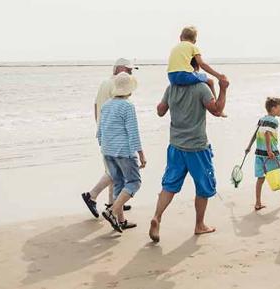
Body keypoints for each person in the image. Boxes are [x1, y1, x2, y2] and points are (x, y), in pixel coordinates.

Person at [149, 73, 229, 242]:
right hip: (197, 148)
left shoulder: (171, 88)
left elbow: (160, 111)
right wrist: (223, 89)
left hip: (175, 146)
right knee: (203, 187)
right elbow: (217, 110)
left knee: (169, 185)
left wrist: (168, 102)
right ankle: (199, 225)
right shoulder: (201, 88)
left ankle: (157, 216)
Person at [81, 58, 134, 218]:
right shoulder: (116, 85)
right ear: (120, 69)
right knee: (115, 171)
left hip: (104, 132)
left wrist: (100, 128)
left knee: (112, 169)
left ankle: (114, 203)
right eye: (129, 70)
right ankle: (92, 195)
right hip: (112, 134)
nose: (131, 73)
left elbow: (97, 105)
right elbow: (119, 112)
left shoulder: (104, 82)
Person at [97, 72, 147, 233]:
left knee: (118, 182)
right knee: (134, 182)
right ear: (130, 89)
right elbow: (133, 132)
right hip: (124, 151)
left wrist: (104, 147)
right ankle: (111, 211)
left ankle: (121, 220)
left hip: (108, 150)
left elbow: (100, 130)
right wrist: (141, 154)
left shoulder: (106, 105)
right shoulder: (127, 106)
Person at [248, 97, 280, 211]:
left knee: (260, 178)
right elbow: (267, 134)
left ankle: (257, 203)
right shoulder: (273, 121)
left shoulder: (261, 119)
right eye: (279, 108)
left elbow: (256, 133)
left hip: (259, 153)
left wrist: (249, 147)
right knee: (279, 174)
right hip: (270, 153)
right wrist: (270, 151)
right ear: (273, 108)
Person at [166, 26, 226, 114]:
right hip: (184, 75)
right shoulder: (193, 47)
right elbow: (202, 64)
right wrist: (218, 75)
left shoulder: (174, 48)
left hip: (171, 77)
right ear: (194, 41)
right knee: (210, 81)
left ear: (180, 37)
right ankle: (217, 107)